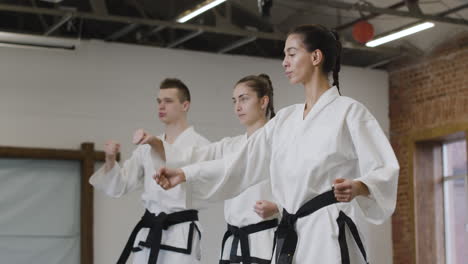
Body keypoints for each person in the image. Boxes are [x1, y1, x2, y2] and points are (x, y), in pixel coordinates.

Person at [154, 24, 400, 264]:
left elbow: (384, 168)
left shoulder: (350, 112)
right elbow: (239, 164)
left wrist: (359, 185)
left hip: (328, 230)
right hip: (291, 234)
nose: (285, 62)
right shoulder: (285, 119)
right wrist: (185, 173)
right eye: (284, 55)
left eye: (292, 54)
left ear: (315, 56)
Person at [145, 74, 280, 264]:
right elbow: (194, 157)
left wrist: (278, 207)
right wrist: (158, 145)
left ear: (263, 101)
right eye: (235, 101)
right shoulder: (230, 145)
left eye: (244, 99)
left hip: (264, 241)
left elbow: (296, 188)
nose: (238, 107)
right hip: (233, 243)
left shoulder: (276, 141)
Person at [89, 78, 209, 264]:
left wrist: (154, 143)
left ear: (185, 105)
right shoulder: (146, 148)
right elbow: (120, 185)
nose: (161, 106)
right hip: (149, 231)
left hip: (180, 234)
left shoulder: (201, 146)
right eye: (158, 101)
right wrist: (110, 159)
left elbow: (186, 165)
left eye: (168, 101)